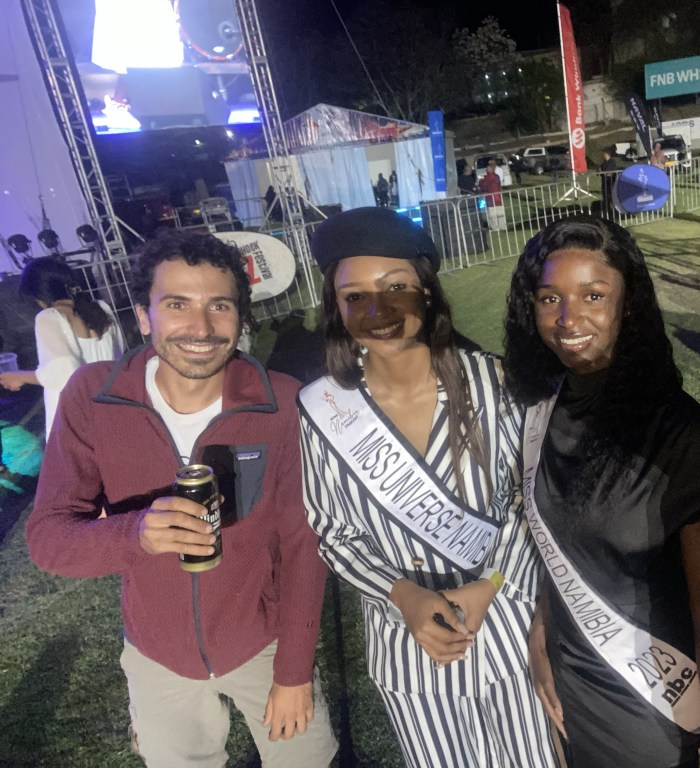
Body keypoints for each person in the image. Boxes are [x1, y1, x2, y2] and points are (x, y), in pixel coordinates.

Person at [26, 231, 338, 767]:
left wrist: (293, 671)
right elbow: (48, 539)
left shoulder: (279, 399)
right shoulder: (94, 395)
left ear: (241, 317)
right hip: (156, 652)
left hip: (261, 640)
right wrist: (134, 533)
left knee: (307, 760)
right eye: (177, 305)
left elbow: (301, 542)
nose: (200, 327)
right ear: (144, 317)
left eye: (220, 305)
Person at [299, 208, 557, 768]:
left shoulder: (494, 382)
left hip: (512, 631)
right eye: (354, 296)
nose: (378, 310)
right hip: (408, 654)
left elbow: (528, 498)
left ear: (429, 294)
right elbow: (333, 531)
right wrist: (405, 596)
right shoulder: (322, 409)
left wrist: (491, 583)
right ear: (336, 308)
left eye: (396, 288)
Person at [504, 215, 700, 768]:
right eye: (548, 298)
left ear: (627, 304)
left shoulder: (683, 437)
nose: (568, 319)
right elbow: (558, 543)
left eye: (593, 295)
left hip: (651, 706)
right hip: (567, 682)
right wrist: (541, 631)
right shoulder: (539, 410)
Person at [0, 257, 125, 438]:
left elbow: (62, 374)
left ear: (37, 295)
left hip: (76, 420)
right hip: (111, 408)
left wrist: (20, 377)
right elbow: (117, 359)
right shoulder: (102, 308)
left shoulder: (49, 317)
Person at [478, 160, 506, 232]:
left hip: (490, 198)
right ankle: (502, 226)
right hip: (498, 196)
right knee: (500, 213)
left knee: (492, 214)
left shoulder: (486, 178)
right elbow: (498, 184)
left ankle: (495, 228)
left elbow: (484, 187)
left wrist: (480, 182)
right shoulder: (496, 176)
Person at [599, 147, 619, 218]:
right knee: (606, 200)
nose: (602, 154)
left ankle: (616, 214)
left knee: (612, 200)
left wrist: (604, 173)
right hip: (605, 184)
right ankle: (608, 214)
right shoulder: (604, 163)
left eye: (603, 153)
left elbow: (609, 173)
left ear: (607, 154)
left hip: (611, 183)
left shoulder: (612, 162)